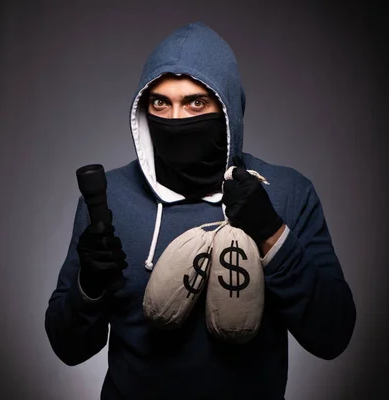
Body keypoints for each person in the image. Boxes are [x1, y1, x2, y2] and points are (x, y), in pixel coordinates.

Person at [44, 21, 356, 399]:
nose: (177, 121)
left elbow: (333, 334)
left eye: (196, 102)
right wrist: (88, 289)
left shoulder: (287, 192)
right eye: (161, 102)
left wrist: (272, 233)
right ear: (144, 108)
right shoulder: (108, 200)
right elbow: (68, 349)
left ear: (226, 109)